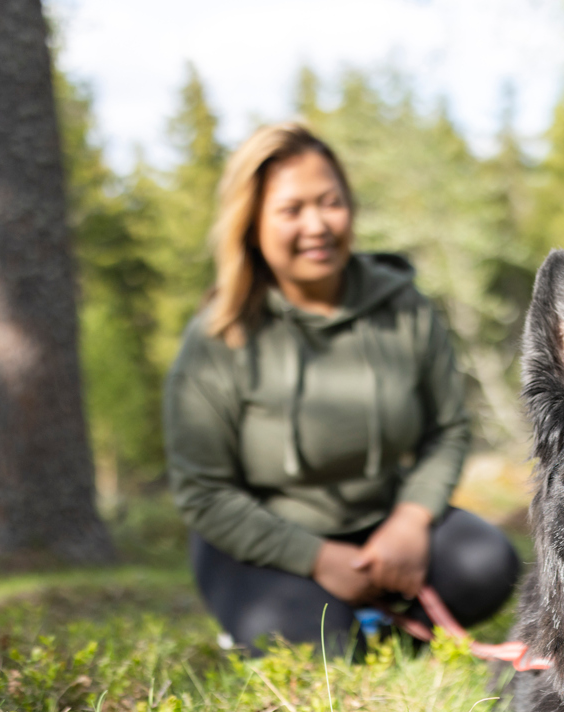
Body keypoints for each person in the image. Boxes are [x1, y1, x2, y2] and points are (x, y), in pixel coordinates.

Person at [163, 123, 519, 655]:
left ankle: (388, 629)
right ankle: (317, 623)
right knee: (317, 649)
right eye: (291, 210)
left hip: (384, 524)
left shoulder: (403, 307)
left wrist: (410, 521)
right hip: (265, 543)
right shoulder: (220, 335)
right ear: (251, 225)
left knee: (487, 564)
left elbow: (447, 430)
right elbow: (204, 492)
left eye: (331, 202)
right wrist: (318, 559)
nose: (317, 226)